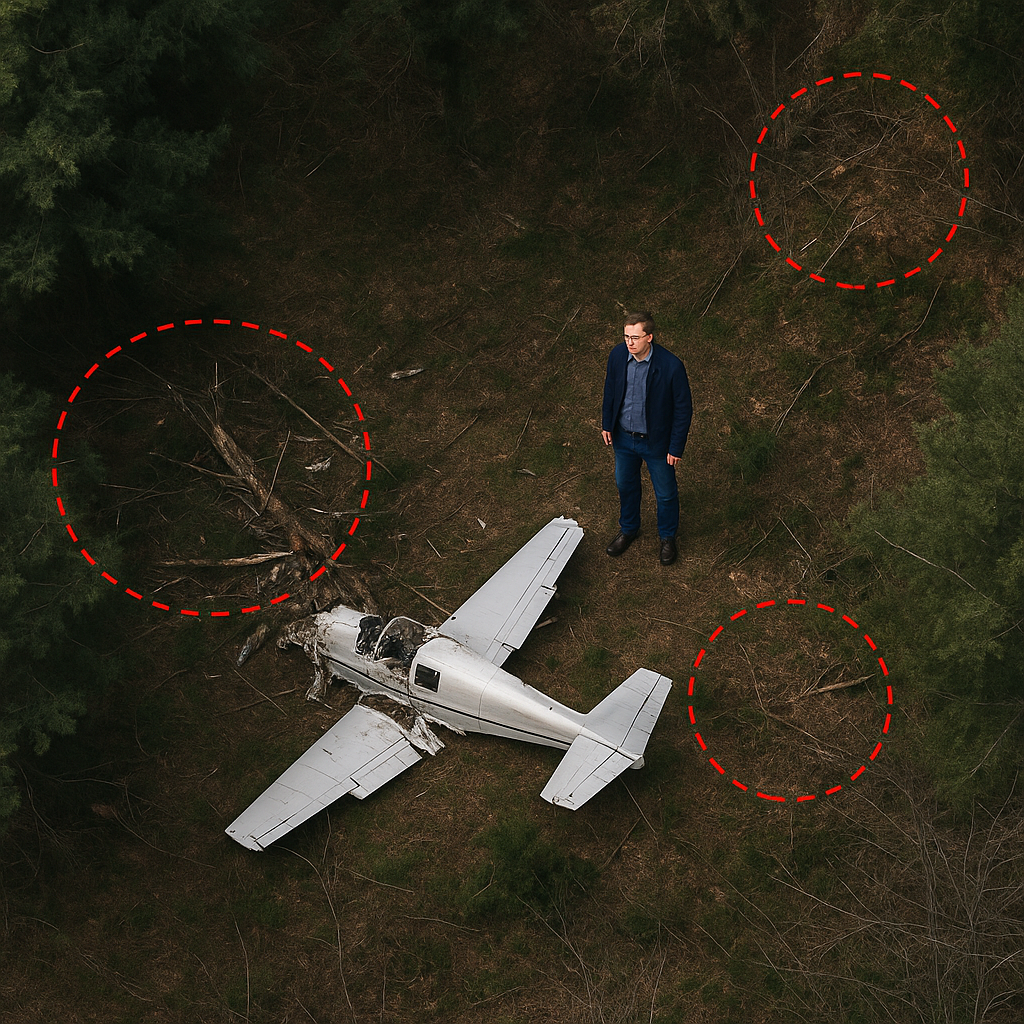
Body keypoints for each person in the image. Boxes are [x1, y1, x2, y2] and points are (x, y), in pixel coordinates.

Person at [601, 311, 693, 566]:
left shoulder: (670, 365)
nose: (629, 343)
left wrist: (675, 447)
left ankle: (667, 538)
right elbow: (610, 388)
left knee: (665, 494)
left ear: (649, 337)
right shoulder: (618, 356)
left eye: (635, 338)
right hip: (623, 439)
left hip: (656, 443)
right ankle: (629, 529)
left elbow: (683, 409)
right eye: (626, 337)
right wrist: (607, 423)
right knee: (625, 485)